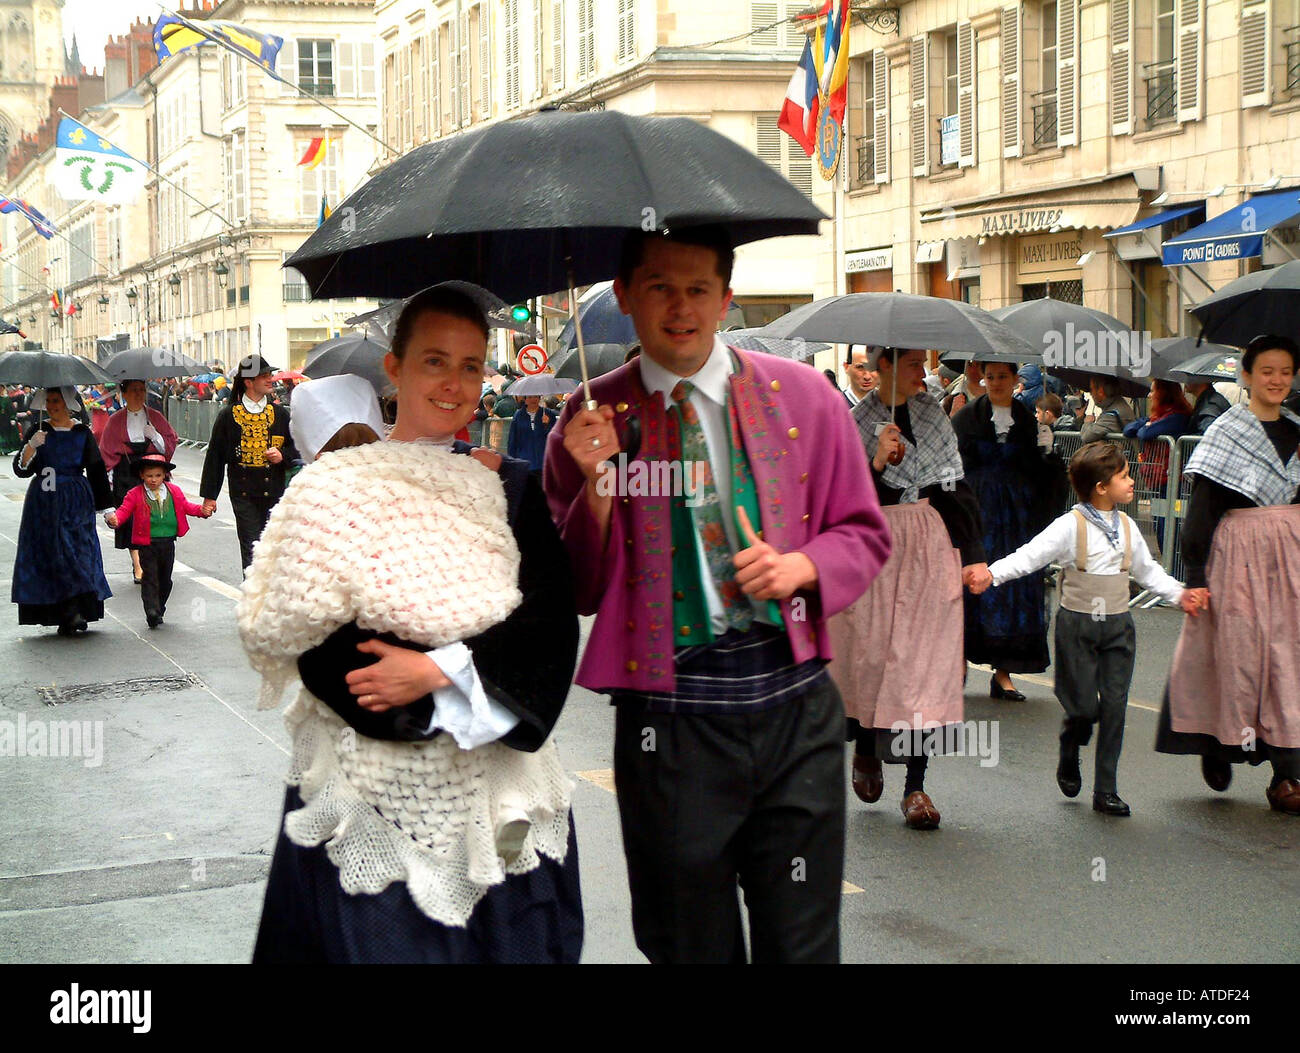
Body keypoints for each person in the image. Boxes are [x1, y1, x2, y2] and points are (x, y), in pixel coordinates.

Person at [544, 226, 891, 964]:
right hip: (668, 728)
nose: (680, 307)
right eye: (660, 287)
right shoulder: (589, 422)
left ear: (726, 299)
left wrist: (802, 568)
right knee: (687, 944)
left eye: (698, 288)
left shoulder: (806, 398)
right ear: (625, 296)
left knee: (802, 946)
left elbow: (863, 532)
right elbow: (575, 587)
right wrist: (598, 485)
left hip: (796, 711)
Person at [242, 286, 583, 963]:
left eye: (471, 365)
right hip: (368, 794)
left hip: (494, 801)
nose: (454, 384)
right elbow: (316, 637)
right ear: (394, 369)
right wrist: (417, 696)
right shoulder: (332, 486)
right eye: (434, 362)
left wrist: (433, 670)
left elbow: (547, 628)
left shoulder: (511, 485)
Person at [972, 443, 1200, 816]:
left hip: (1118, 626)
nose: (1131, 482)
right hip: (1077, 625)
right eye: (1124, 476)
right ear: (1100, 487)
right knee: (1082, 709)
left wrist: (1181, 595)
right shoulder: (1069, 526)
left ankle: (1106, 789)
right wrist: (992, 574)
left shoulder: (1127, 527)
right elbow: (1029, 555)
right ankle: (1071, 740)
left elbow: (1148, 572)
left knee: (1114, 706)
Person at [830, 347, 989, 830]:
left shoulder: (933, 416)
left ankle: (916, 787)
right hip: (874, 544)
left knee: (923, 663)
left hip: (926, 543)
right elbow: (842, 500)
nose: (922, 371)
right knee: (873, 657)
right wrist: (876, 464)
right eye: (913, 363)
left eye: (923, 363)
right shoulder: (855, 420)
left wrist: (975, 555)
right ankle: (865, 747)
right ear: (884, 368)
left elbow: (953, 489)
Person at [1157, 335, 1300, 816]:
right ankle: (1217, 743)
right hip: (1238, 554)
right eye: (1267, 371)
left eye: (1284, 371)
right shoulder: (1226, 431)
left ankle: (1286, 775)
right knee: (1233, 654)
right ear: (1247, 376)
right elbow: (1202, 510)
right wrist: (1195, 575)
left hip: (1293, 558)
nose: (1276, 380)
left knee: (1289, 659)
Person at [952, 361, 1068, 700]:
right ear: (983, 378)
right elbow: (952, 466)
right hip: (978, 511)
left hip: (1018, 515)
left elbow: (1042, 476)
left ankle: (1003, 673)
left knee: (1013, 583)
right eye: (991, 376)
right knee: (971, 584)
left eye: (1003, 376)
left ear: (1015, 379)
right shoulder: (966, 418)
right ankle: (956, 664)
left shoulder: (1029, 422)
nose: (997, 382)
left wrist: (1047, 452)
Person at [11, 387, 113, 635]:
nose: (52, 405)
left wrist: (107, 508)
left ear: (68, 404)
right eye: (48, 401)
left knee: (78, 552)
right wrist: (31, 447)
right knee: (52, 554)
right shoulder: (38, 430)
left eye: (56, 401)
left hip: (75, 499)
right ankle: (65, 612)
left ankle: (77, 609)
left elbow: (96, 469)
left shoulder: (81, 433)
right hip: (43, 503)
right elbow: (21, 470)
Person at [199, 354, 299, 570]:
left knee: (274, 549)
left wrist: (283, 456)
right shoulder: (229, 415)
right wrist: (209, 497)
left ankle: (270, 599)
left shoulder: (279, 414)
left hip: (274, 492)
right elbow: (215, 457)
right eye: (264, 376)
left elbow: (296, 447)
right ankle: (253, 598)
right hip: (243, 493)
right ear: (248, 382)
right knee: (252, 548)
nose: (270, 379)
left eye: (270, 374)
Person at [104, 452, 211, 628]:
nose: (153, 480)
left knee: (166, 579)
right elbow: (123, 511)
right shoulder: (135, 493)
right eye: (149, 476)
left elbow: (186, 507)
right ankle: (151, 611)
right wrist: (114, 519)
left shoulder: (174, 491)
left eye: (158, 476)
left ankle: (159, 607)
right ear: (142, 475)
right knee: (150, 578)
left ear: (164, 475)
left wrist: (202, 511)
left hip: (168, 542)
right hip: (147, 544)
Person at [99, 379, 179, 585]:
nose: (138, 394)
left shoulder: (155, 417)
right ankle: (137, 564)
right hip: (125, 476)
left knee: (151, 519)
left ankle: (150, 561)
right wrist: (106, 487)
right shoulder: (115, 421)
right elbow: (106, 455)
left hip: (151, 473)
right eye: (133, 390)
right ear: (123, 394)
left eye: (141, 390)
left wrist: (156, 437)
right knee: (131, 522)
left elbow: (168, 447)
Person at [1123, 378, 1192, 550]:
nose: (1150, 395)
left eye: (1153, 391)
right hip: (1157, 482)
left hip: (1170, 482)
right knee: (1160, 528)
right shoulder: (1160, 416)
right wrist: (1146, 425)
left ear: (1163, 393)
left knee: (1167, 530)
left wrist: (1146, 426)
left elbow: (1146, 433)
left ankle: (1173, 572)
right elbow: (1129, 429)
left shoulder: (1177, 417)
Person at [507, 394, 555, 472]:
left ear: (539, 398)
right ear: (525, 399)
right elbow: (512, 439)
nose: (533, 399)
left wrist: (547, 425)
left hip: (543, 461)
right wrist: (511, 460)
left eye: (536, 396)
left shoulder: (548, 414)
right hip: (523, 460)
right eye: (530, 397)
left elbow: (553, 437)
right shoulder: (518, 415)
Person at [1080, 376, 1136, 442]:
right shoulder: (1117, 404)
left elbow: (1087, 437)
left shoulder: (1112, 414)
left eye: (1092, 389)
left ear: (1101, 391)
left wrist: (1087, 422)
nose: (1091, 393)